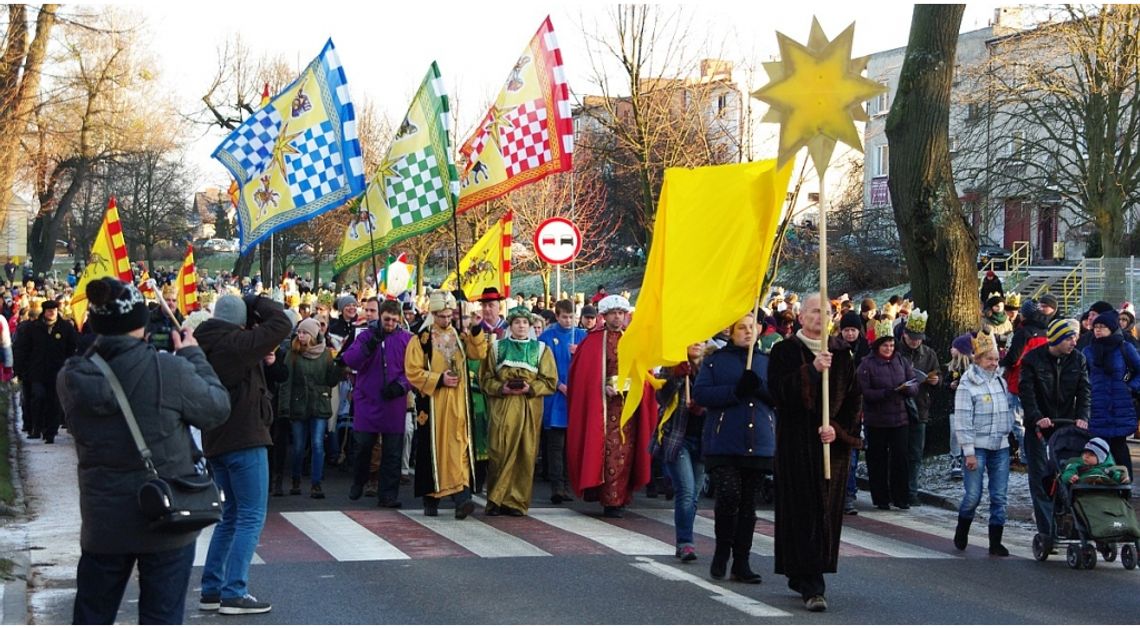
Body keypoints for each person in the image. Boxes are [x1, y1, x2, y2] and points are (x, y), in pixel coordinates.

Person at [60, 278, 231, 624]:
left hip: (103, 519)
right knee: (162, 616)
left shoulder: (72, 377)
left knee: (92, 615)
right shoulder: (167, 369)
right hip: (165, 514)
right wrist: (193, 355)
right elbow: (216, 409)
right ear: (142, 323)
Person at [195, 293, 291, 615]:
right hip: (245, 437)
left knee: (230, 516)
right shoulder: (236, 343)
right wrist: (257, 300)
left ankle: (211, 588)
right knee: (251, 516)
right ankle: (234, 590)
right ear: (241, 321)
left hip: (216, 439)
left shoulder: (203, 343)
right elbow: (282, 323)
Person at [768, 294, 861, 613]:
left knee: (824, 511)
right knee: (802, 509)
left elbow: (853, 399)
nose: (821, 317)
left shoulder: (842, 354)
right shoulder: (785, 350)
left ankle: (810, 572)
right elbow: (777, 393)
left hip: (828, 445)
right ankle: (810, 583)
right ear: (801, 315)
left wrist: (839, 430)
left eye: (826, 312)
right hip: (796, 442)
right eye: (814, 311)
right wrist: (811, 371)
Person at [692, 314, 774, 582]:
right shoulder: (716, 360)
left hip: (758, 442)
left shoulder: (766, 361)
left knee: (749, 505)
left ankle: (742, 561)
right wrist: (735, 390)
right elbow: (702, 395)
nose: (748, 332)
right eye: (742, 328)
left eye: (752, 327)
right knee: (728, 496)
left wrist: (759, 387)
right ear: (732, 331)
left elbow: (778, 396)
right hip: (724, 440)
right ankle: (721, 551)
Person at [566, 294, 652, 518]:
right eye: (613, 313)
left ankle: (621, 496)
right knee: (608, 451)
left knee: (627, 451)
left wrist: (635, 386)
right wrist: (600, 387)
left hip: (627, 407)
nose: (617, 317)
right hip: (603, 408)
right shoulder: (593, 341)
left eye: (621, 313)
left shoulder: (631, 340)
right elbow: (583, 376)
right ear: (604, 316)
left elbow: (642, 372)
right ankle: (610, 499)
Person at [405, 290, 488, 518]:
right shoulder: (420, 340)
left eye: (450, 315)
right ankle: (431, 498)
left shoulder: (461, 336)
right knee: (434, 448)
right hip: (435, 404)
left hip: (459, 403)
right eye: (442, 316)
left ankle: (462, 498)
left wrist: (476, 329)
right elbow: (412, 371)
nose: (446, 320)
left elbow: (478, 353)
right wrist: (439, 379)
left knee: (459, 446)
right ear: (433, 314)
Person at [479, 306, 558, 516]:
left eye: (525, 322)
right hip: (502, 408)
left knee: (525, 453)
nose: (521, 326)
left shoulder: (541, 349)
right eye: (517, 322)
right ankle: (496, 499)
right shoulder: (496, 348)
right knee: (499, 451)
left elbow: (550, 381)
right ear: (510, 325)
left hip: (529, 409)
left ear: (530, 326)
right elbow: (485, 378)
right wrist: (500, 388)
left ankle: (516, 502)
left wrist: (530, 388)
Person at [1018, 318, 1091, 540]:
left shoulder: (1078, 359)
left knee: (1070, 474)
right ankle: (1046, 530)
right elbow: (1027, 393)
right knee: (1041, 477)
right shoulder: (1033, 360)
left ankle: (1072, 522)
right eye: (1069, 338)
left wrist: (1082, 417)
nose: (1074, 342)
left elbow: (1084, 390)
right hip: (1040, 427)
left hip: (1066, 427)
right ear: (1057, 339)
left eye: (1074, 338)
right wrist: (1037, 417)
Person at [342, 299, 412, 507]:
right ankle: (359, 480)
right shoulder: (365, 336)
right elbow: (350, 360)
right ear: (380, 318)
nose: (390, 323)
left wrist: (402, 385)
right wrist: (370, 345)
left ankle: (388, 495)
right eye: (386, 319)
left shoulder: (407, 340)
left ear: (399, 320)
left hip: (393, 402)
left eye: (393, 320)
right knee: (363, 447)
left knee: (392, 452)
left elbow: (414, 370)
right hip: (368, 401)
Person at [950, 330, 1013, 556]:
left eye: (996, 359)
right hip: (977, 446)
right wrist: (968, 452)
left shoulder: (1000, 381)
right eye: (989, 359)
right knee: (973, 495)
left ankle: (995, 541)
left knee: (999, 496)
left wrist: (1010, 434)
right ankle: (963, 526)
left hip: (1000, 446)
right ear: (978, 359)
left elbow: (1007, 410)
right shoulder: (967, 385)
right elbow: (963, 420)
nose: (994, 364)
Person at [651, 341, 707, 562]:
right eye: (692, 340)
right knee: (685, 490)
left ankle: (686, 537)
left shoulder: (711, 366)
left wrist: (703, 406)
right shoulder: (672, 366)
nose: (697, 344)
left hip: (703, 440)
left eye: (701, 341)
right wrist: (675, 378)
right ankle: (685, 542)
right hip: (677, 437)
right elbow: (660, 398)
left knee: (694, 496)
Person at [857, 318, 919, 510]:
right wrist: (886, 393)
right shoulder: (867, 364)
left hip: (899, 419)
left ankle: (901, 497)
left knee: (900, 458)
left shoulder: (901, 361)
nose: (889, 348)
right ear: (878, 346)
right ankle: (881, 497)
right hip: (876, 420)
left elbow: (914, 383)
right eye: (885, 345)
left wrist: (907, 389)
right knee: (878, 460)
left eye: (892, 344)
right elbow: (864, 392)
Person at [278, 317, 341, 499]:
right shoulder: (293, 353)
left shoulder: (326, 354)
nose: (301, 335)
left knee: (318, 444)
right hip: (298, 404)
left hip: (319, 404)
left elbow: (330, 380)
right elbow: (286, 383)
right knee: (298, 446)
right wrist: (284, 408)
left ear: (313, 335)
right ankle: (296, 479)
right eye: (299, 332)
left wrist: (339, 368)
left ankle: (316, 483)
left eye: (305, 332)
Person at [538, 299, 587, 504]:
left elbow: (590, 366)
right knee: (555, 445)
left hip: (576, 398)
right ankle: (557, 486)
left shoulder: (582, 336)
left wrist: (580, 354)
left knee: (573, 444)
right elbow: (542, 366)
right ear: (556, 316)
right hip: (555, 396)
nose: (568, 320)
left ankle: (569, 485)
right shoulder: (547, 337)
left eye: (571, 316)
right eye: (564, 317)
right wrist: (559, 384)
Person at [1081, 310, 1140, 481]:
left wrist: (1130, 388)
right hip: (1097, 402)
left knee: (1119, 445)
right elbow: (1084, 376)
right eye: (1096, 327)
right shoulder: (1088, 350)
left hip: (1119, 403)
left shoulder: (1123, 347)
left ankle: (1125, 483)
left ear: (1111, 328)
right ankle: (1102, 483)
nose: (1098, 330)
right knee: (1098, 446)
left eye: (1103, 327)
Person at [13, 298, 78, 443]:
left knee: (54, 402)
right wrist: (20, 369)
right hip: (37, 371)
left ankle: (50, 432)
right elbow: (24, 349)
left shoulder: (65, 328)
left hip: (57, 371)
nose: (51, 313)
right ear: (44, 312)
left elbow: (72, 348)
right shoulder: (33, 328)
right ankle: (37, 427)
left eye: (54, 311)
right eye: (49, 311)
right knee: (38, 397)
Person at [895, 310, 940, 506]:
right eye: (912, 338)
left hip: (920, 406)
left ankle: (911, 490)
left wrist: (935, 380)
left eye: (918, 339)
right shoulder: (895, 350)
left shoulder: (928, 353)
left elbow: (937, 375)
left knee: (915, 452)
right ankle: (897, 489)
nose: (915, 342)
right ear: (904, 334)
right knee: (897, 452)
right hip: (897, 407)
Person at [837, 311, 868, 515]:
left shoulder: (865, 351)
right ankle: (839, 492)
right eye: (846, 330)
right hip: (838, 408)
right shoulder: (835, 349)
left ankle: (849, 493)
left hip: (858, 410)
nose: (850, 334)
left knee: (853, 456)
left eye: (853, 330)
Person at [1060, 437, 1128, 485]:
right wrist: (1070, 477)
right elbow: (1067, 473)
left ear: (1100, 459)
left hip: (1106, 494)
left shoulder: (1107, 469)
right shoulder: (1078, 465)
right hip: (1084, 493)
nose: (1086, 456)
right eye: (1085, 453)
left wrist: (1122, 478)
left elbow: (1116, 475)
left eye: (1091, 455)